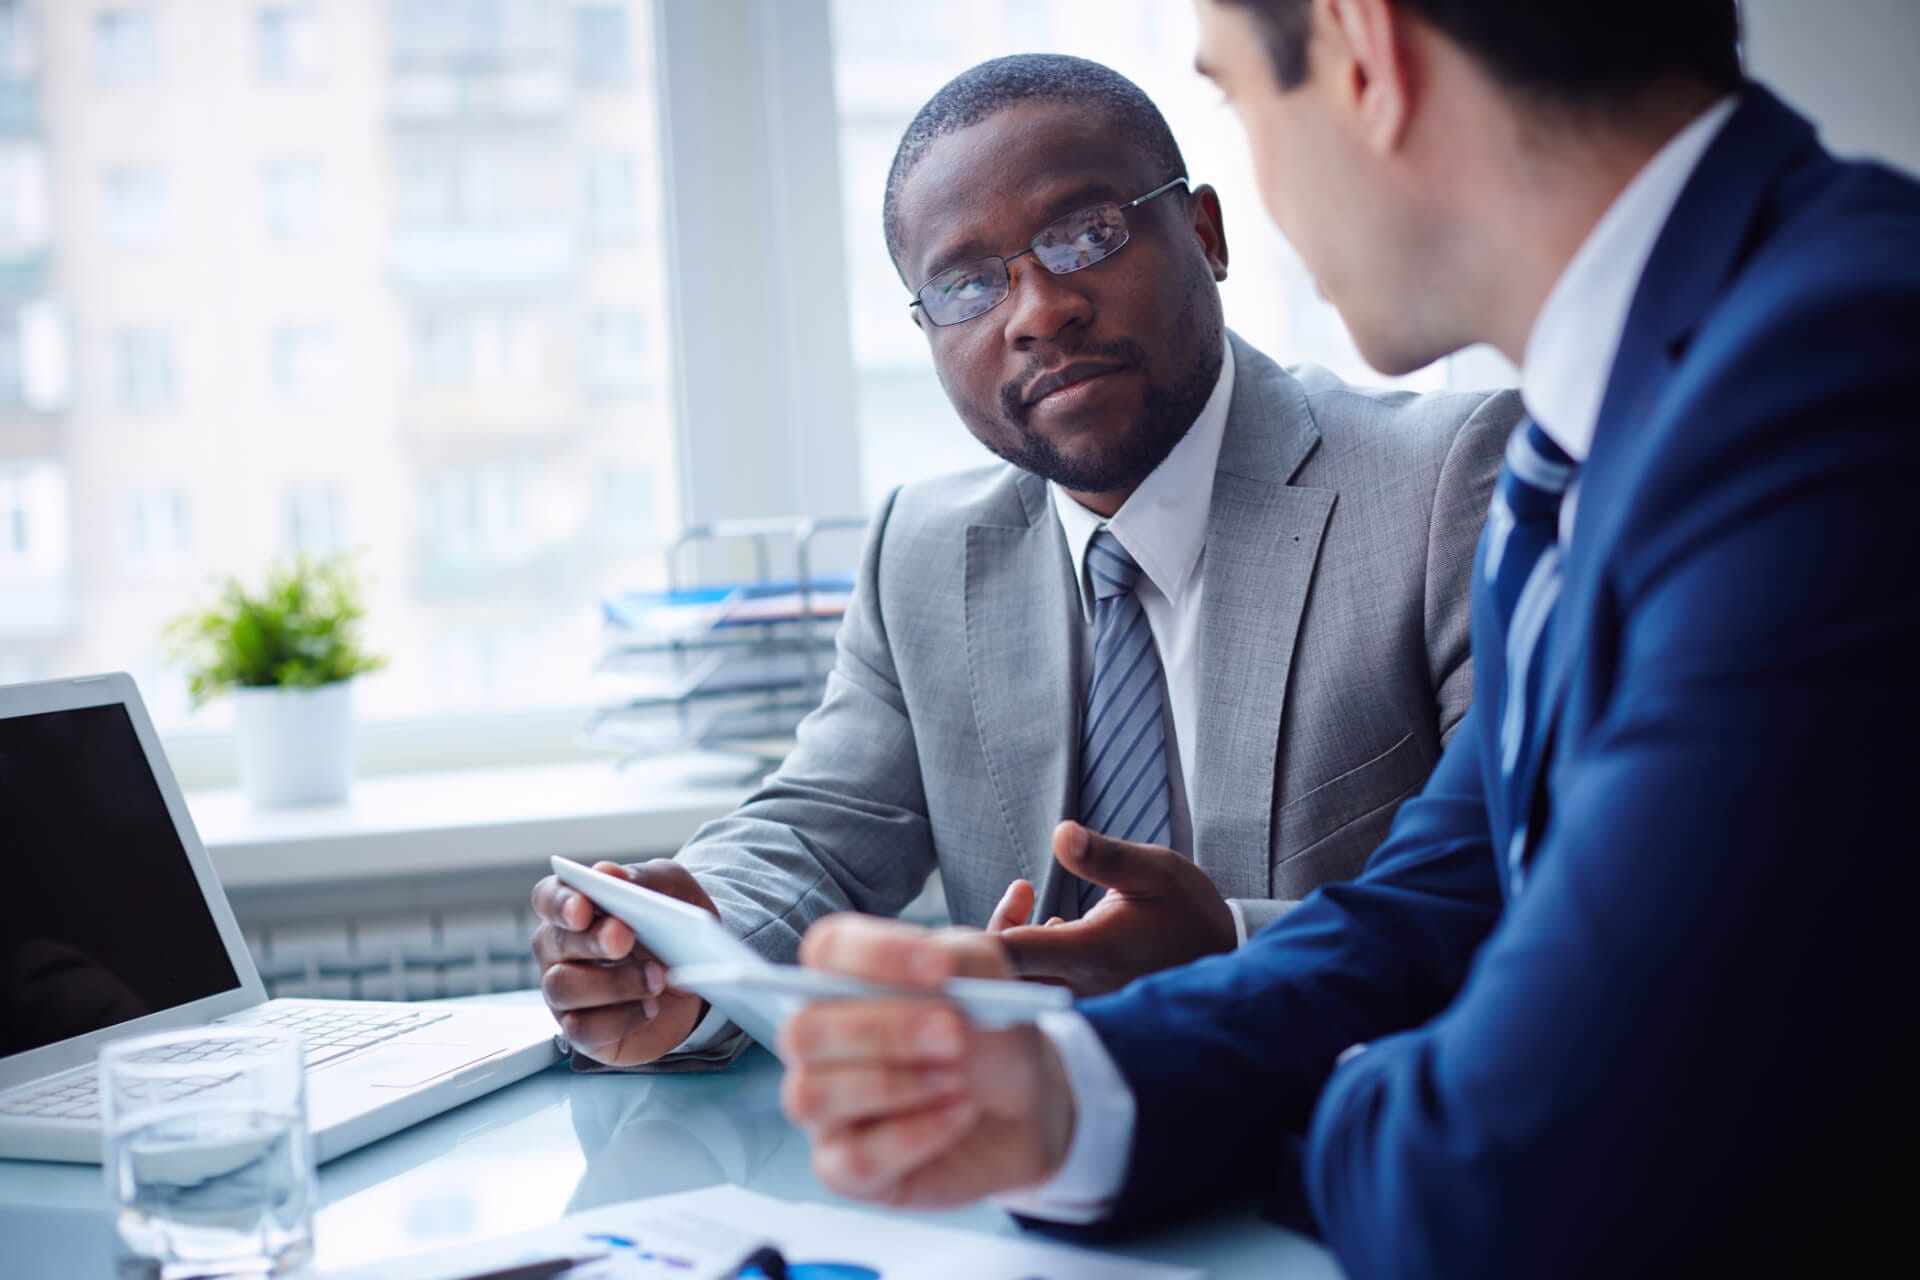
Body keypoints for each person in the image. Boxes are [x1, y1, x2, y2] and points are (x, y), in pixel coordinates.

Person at [777, 2, 1920, 1274]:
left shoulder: (1838, 382)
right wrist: (1068, 1091)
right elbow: (1436, 897)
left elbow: (1519, 1162)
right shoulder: (1607, 419)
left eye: (1234, 97)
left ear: (1364, 52)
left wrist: (1231, 1115)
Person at [530, 54, 1520, 1069]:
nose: (1038, 310)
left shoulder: (1445, 482)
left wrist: (1230, 947)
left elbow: (1520, 888)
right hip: (1027, 1164)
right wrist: (681, 942)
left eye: (1086, 234)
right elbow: (819, 825)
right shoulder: (922, 551)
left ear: (1206, 235)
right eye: (966, 284)